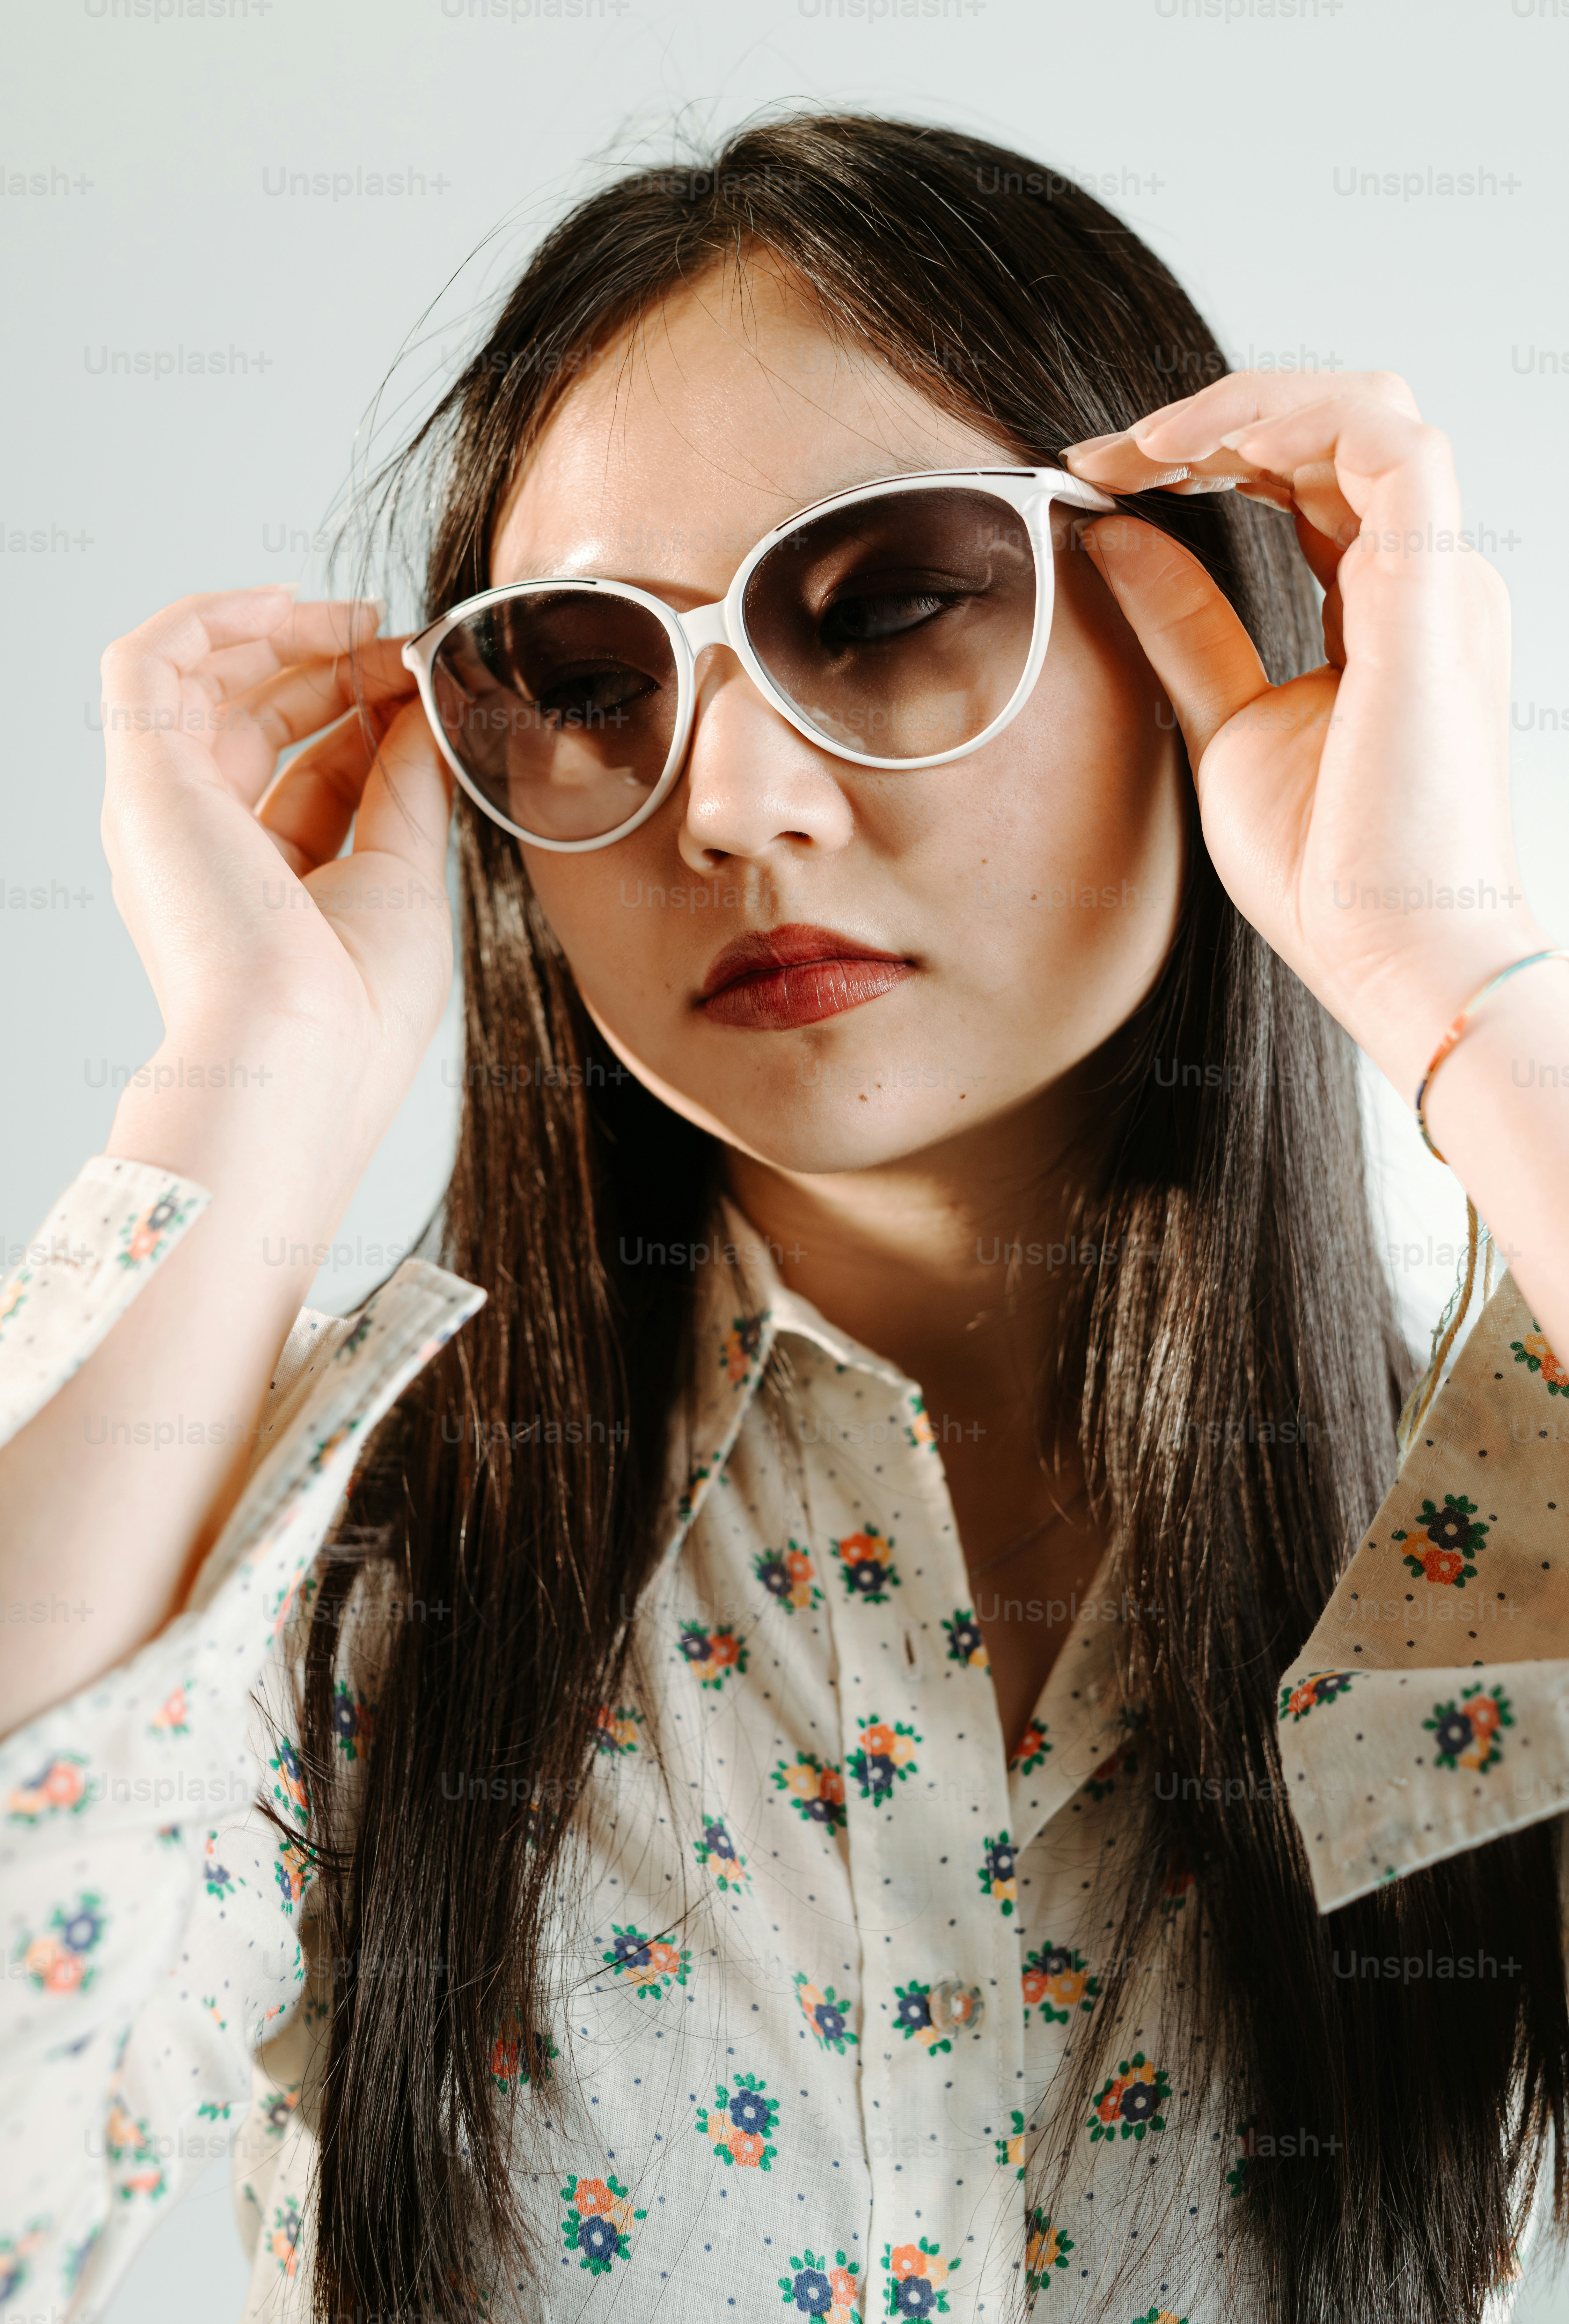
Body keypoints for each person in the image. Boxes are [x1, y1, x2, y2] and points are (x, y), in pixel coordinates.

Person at [3, 112, 1568, 2324]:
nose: (729, 804)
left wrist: (1450, 972)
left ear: (1198, 627)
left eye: (892, 606)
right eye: (589, 680)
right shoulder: (341, 1590)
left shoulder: (1482, 1574)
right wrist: (245, 1079)